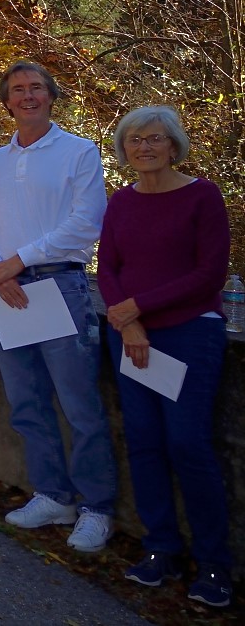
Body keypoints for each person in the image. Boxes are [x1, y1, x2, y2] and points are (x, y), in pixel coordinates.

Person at [0, 62, 117, 553]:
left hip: (60, 287)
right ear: (7, 101)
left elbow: (86, 223)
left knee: (81, 408)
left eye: (36, 88)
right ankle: (53, 496)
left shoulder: (78, 151)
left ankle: (97, 507)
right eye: (18, 90)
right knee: (27, 404)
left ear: (51, 97)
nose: (27, 96)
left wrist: (15, 262)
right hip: (7, 292)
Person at [98, 106, 232, 607]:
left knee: (187, 444)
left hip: (188, 334)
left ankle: (215, 564)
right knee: (144, 441)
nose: (144, 147)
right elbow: (107, 267)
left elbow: (208, 274)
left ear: (174, 145)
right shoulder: (121, 202)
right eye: (134, 140)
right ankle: (161, 549)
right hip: (130, 335)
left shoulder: (202, 196)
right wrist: (127, 319)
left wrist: (138, 308)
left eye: (154, 139)